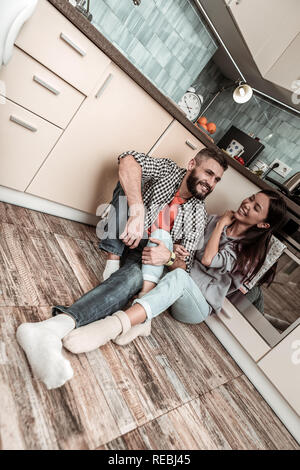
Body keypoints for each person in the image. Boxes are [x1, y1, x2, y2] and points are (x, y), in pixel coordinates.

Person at [16, 147, 227, 389]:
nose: (210, 183)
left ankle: (52, 328)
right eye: (208, 173)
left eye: (216, 180)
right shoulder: (168, 171)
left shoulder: (198, 215)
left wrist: (168, 256)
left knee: (134, 276)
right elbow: (127, 160)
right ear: (191, 164)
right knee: (126, 185)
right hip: (124, 232)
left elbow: (182, 265)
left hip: (144, 256)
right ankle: (111, 261)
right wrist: (137, 212)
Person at [60, 190, 287, 355]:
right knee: (161, 235)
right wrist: (177, 247)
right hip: (174, 279)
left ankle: (112, 326)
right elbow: (187, 245)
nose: (247, 204)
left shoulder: (248, 254)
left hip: (195, 305)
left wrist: (220, 226)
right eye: (251, 198)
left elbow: (208, 259)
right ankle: (143, 316)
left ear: (264, 225)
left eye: (256, 207)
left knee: (179, 276)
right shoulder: (215, 220)